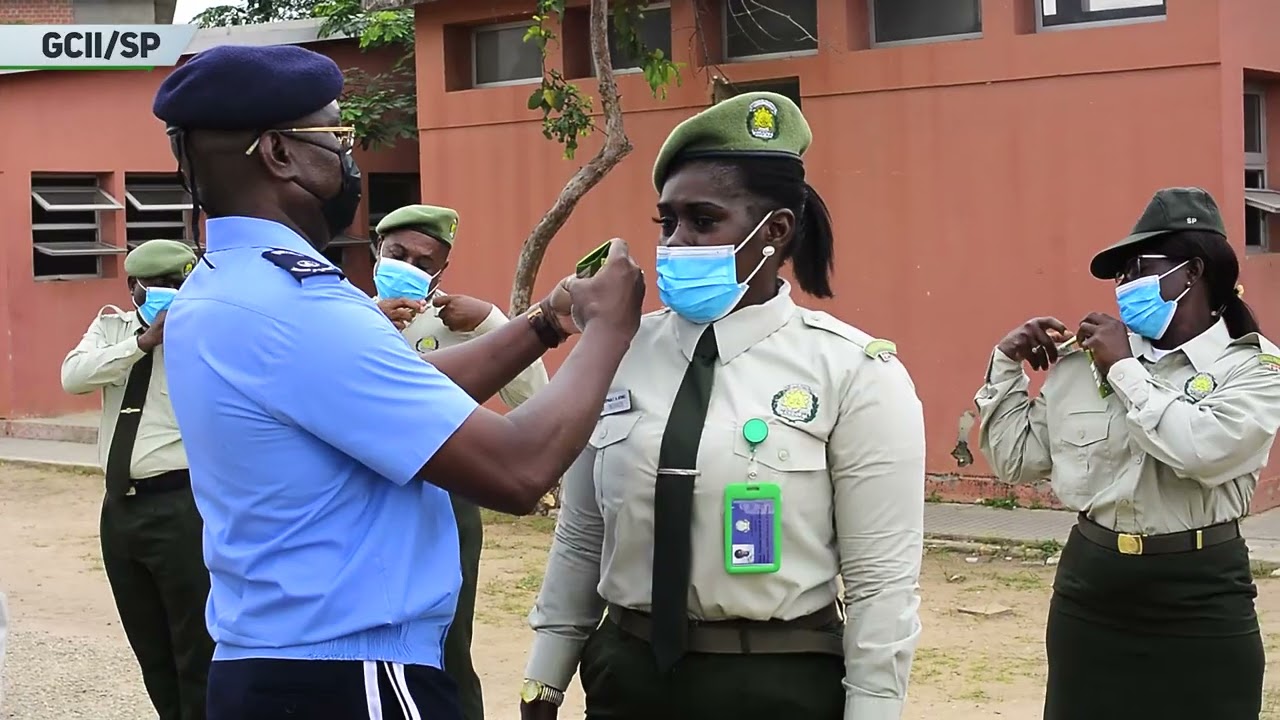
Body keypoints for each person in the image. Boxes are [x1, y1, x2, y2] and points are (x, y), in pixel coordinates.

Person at [151, 44, 644, 720]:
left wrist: (546, 323)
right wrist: (611, 330)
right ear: (279, 153)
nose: (349, 160)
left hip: (278, 664)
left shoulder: (227, 284)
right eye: (337, 137)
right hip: (348, 676)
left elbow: (400, 391)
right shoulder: (296, 306)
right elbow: (517, 469)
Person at [520, 91, 926, 720]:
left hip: (778, 682)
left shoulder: (854, 372)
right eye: (668, 222)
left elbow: (882, 581)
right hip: (627, 675)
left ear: (776, 231)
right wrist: (544, 679)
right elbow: (581, 534)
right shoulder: (617, 352)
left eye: (703, 220)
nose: (677, 241)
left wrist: (873, 709)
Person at [975, 187, 1280, 720]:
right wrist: (1006, 365)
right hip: (1092, 592)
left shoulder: (1252, 369)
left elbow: (1199, 450)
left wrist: (1123, 371)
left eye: (1138, 268)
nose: (1123, 286)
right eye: (1120, 274)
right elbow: (1014, 460)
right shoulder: (1083, 361)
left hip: (1201, 594)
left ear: (1191, 272)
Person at [372, 203, 550, 720]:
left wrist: (493, 324)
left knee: (447, 647)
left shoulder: (459, 322)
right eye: (398, 253)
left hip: (443, 502)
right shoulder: (343, 318)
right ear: (375, 252)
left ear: (441, 272)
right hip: (363, 501)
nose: (410, 266)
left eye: (426, 262)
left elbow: (533, 399)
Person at [60, 239, 215, 720]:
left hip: (181, 507)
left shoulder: (206, 337)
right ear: (134, 288)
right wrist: (141, 344)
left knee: (196, 646)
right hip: (120, 511)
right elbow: (74, 377)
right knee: (149, 645)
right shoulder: (112, 328)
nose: (171, 294)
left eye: (180, 285)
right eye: (161, 285)